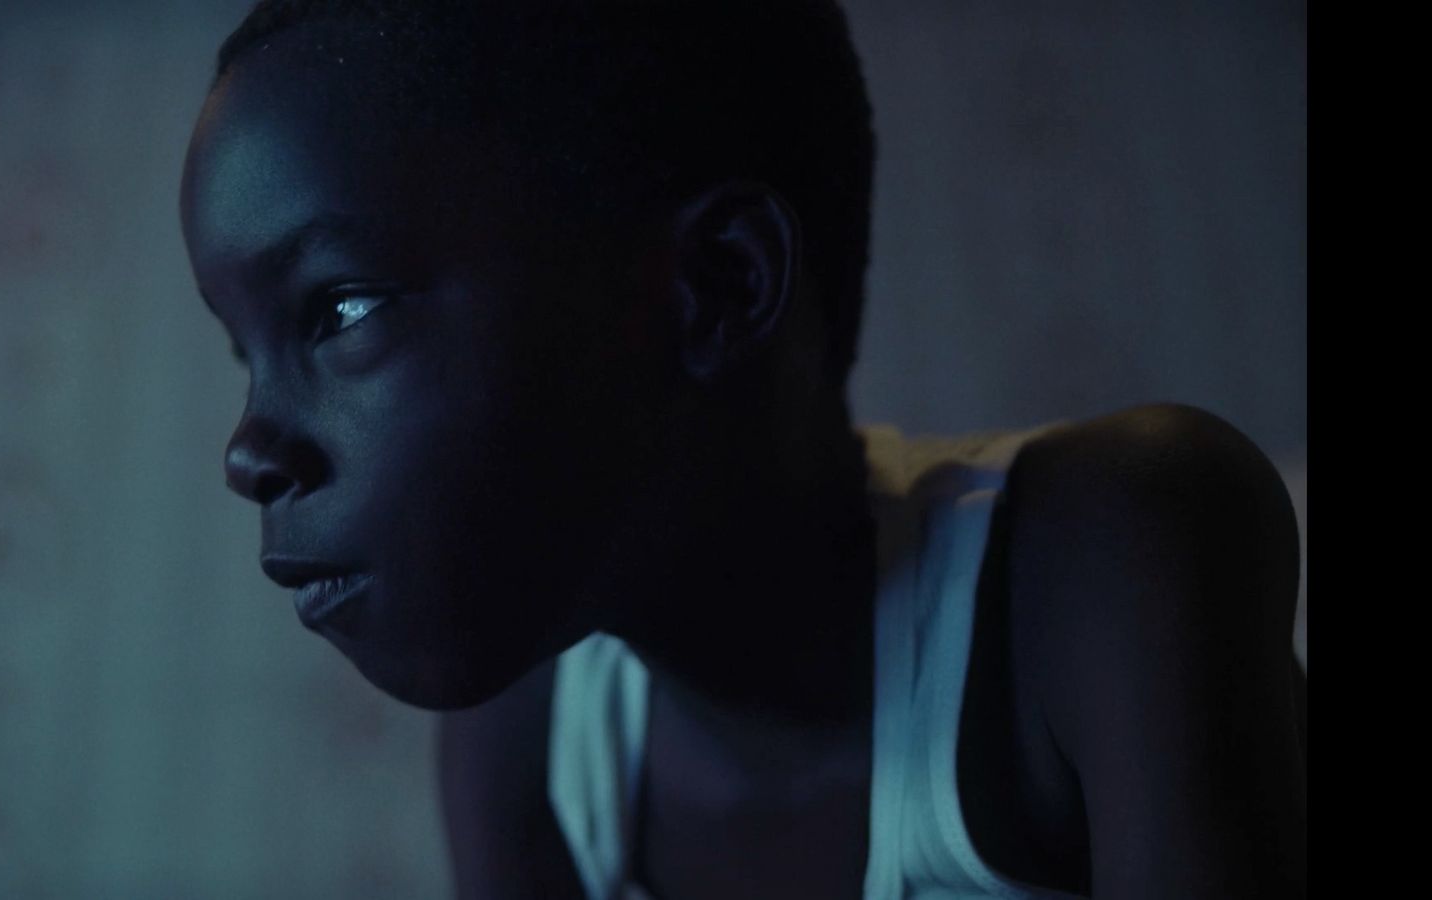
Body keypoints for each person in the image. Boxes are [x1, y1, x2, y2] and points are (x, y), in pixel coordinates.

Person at [178, 1, 1306, 897]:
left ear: (719, 285)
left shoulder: (1106, 560)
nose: (246, 452)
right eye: (244, 352)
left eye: (340, 309)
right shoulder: (529, 739)